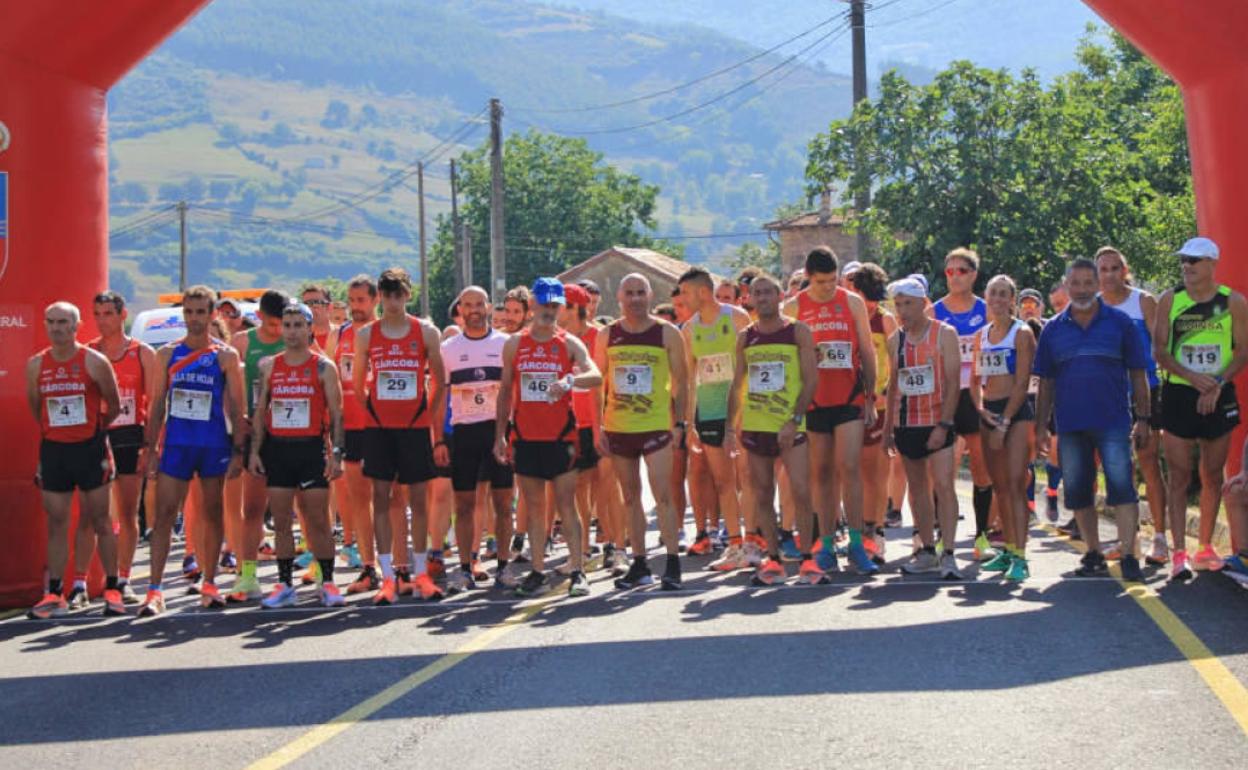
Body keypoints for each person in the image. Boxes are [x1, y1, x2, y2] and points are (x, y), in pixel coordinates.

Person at [1034, 258, 1151, 582]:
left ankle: (1129, 556)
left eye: (1088, 283)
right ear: (1066, 286)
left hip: (1113, 421)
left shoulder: (1121, 323)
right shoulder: (1053, 329)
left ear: (1098, 285)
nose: (1083, 289)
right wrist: (1041, 426)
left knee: (1122, 488)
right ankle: (1093, 553)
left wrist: (1144, 418)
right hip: (1070, 424)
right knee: (1078, 491)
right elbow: (1046, 382)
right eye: (1076, 283)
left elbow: (1138, 374)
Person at [141, 286, 248, 615]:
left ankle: (210, 583)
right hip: (177, 444)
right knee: (163, 516)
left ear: (212, 315)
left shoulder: (226, 356)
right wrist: (150, 450)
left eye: (201, 312)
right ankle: (155, 590)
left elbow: (238, 409)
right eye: (189, 312)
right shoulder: (167, 354)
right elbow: (157, 403)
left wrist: (239, 453)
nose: (195, 318)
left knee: (212, 513)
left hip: (213, 443)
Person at [495, 278, 602, 597]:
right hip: (526, 436)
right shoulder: (515, 343)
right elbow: (503, 392)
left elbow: (594, 374)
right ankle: (538, 570)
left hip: (561, 436)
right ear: (533, 307)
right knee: (535, 505)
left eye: (555, 305)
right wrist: (499, 435)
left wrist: (570, 380)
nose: (550, 311)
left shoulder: (569, 342)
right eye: (544, 304)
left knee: (566, 504)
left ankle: (578, 569)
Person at [352, 267, 448, 604]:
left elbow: (439, 380)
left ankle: (420, 573)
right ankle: (389, 577)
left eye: (398, 294)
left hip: (415, 428)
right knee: (381, 498)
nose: (393, 301)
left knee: (418, 500)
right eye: (387, 294)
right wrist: (375, 413)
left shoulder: (426, 333)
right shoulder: (366, 335)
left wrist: (426, 414)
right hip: (380, 428)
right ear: (381, 297)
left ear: (408, 295)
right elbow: (358, 384)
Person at [1153, 237, 1248, 577]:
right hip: (1181, 393)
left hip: (1218, 393)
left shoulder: (1233, 302)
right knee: (1178, 475)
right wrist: (1194, 378)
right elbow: (1160, 352)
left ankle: (1205, 547)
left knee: (1211, 473)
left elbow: (1243, 351)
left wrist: (1217, 383)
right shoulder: (1170, 300)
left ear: (1211, 263)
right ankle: (1179, 551)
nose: (1187, 266)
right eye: (1183, 260)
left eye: (1194, 260)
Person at [724, 273, 824, 585]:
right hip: (756, 425)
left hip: (790, 426)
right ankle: (774, 560)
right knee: (763, 493)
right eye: (757, 293)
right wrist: (729, 427)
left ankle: (807, 559)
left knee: (801, 491)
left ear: (780, 296)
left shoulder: (798, 331)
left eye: (769, 292)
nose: (763, 298)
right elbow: (737, 383)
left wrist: (794, 419)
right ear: (750, 299)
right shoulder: (746, 336)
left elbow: (811, 380)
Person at [784, 247, 879, 574]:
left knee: (849, 466)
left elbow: (867, 350)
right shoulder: (793, 307)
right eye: (821, 282)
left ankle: (856, 543)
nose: (827, 287)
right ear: (808, 277)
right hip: (813, 400)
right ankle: (825, 543)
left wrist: (871, 397)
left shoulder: (851, 301)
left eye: (832, 280)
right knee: (821, 473)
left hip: (849, 396)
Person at [25, 302, 123, 619]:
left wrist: (94, 432)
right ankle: (54, 593)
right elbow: (36, 406)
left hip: (90, 448)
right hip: (54, 450)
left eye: (63, 322)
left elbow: (114, 404)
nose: (56, 328)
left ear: (76, 325)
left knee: (100, 520)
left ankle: (112, 588)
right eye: (51, 321)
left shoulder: (94, 361)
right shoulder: (36, 364)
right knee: (57, 522)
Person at [594, 273, 690, 590]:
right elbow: (597, 383)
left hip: (655, 426)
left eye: (640, 292)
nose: (635, 298)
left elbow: (682, 382)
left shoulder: (667, 333)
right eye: (629, 293)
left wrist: (679, 423)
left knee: (662, 494)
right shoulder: (607, 335)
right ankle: (639, 563)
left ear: (649, 296)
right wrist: (599, 426)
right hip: (619, 427)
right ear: (619, 298)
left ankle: (673, 564)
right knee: (630, 498)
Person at [249, 302, 346, 607]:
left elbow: (337, 414)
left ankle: (328, 582)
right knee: (280, 520)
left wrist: (337, 454)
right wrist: (254, 451)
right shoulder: (270, 366)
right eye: (287, 326)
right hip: (279, 449)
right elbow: (260, 410)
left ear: (308, 328)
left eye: (297, 325)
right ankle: (285, 584)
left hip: (311, 448)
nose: (291, 332)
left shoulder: (322, 366)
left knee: (317, 519)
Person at [882, 276, 964, 579]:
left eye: (908, 303)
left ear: (923, 304)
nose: (903, 310)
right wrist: (888, 429)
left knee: (943, 485)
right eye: (898, 304)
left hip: (937, 421)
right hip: (907, 423)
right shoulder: (896, 341)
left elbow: (955, 382)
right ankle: (927, 549)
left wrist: (944, 423)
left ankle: (950, 553)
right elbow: (893, 386)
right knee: (917, 491)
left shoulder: (945, 334)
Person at [1097, 246, 1169, 566]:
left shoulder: (1142, 301)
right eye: (1103, 269)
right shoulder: (1092, 306)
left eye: (1115, 268)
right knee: (1116, 470)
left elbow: (1159, 347)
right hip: (1108, 396)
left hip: (1144, 391)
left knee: (1149, 462)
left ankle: (1161, 538)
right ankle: (1128, 539)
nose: (1109, 274)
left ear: (1124, 271)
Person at [679, 267, 754, 569]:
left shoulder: (736, 318)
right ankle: (735, 544)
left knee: (747, 477)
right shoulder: (688, 329)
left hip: (742, 409)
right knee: (724, 482)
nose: (681, 299)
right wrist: (689, 423)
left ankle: (755, 541)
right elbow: (689, 379)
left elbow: (752, 363)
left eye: (685, 292)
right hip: (709, 412)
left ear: (702, 292)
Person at [441, 286, 514, 593]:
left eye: (479, 304)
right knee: (465, 504)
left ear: (488, 307)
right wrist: (439, 439)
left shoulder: (506, 343)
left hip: (499, 431)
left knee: (502, 502)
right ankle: (464, 568)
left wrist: (511, 432)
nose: (474, 309)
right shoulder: (449, 348)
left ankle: (504, 566)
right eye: (468, 304)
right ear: (460, 308)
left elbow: (514, 391)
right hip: (464, 432)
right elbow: (440, 397)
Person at [89, 291, 156, 604]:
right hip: (98, 437)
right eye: (98, 314)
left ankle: (124, 577)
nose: (103, 320)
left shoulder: (141, 352)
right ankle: (102, 578)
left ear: (122, 314)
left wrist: (151, 446)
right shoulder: (89, 352)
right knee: (98, 515)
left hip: (131, 436)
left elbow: (156, 402)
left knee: (128, 513)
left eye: (108, 314)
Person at [971, 275, 1037, 581]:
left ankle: (1022, 556)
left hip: (1016, 414)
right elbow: (974, 380)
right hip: (990, 414)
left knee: (1015, 485)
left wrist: (1005, 421)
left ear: (1011, 299)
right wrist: (981, 409)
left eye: (1002, 294)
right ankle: (1008, 549)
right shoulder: (982, 334)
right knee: (999, 487)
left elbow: (1023, 383)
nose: (996, 299)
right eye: (992, 293)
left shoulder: (1021, 333)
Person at [227, 289, 289, 603]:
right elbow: (227, 385)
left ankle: (315, 573)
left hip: (292, 432)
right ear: (261, 316)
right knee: (251, 508)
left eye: (285, 323)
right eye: (274, 323)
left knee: (297, 509)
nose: (280, 330)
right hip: (256, 434)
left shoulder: (297, 339)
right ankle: (247, 575)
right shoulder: (242, 343)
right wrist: (238, 419)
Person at [932, 248, 995, 560]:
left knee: (982, 471)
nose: (954, 276)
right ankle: (943, 538)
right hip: (945, 398)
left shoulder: (987, 311)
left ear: (974, 275)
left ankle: (981, 537)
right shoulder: (933, 311)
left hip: (977, 397)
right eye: (949, 271)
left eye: (961, 271)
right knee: (943, 474)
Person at [328, 274, 381, 593]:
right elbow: (332, 383)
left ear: (375, 300)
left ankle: (398, 565)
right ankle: (368, 565)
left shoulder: (384, 332)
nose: (356, 307)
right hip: (350, 427)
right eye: (352, 300)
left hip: (383, 425)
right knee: (359, 498)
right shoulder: (341, 334)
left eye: (362, 300)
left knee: (390, 498)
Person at [848, 263, 897, 563]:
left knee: (876, 473)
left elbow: (895, 364)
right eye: (866, 297)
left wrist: (884, 394)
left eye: (874, 298)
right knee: (851, 472)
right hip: (849, 403)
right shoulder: (848, 317)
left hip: (878, 405)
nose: (870, 304)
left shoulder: (885, 320)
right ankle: (858, 532)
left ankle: (876, 533)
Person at [302, 284, 334, 351]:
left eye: (316, 303)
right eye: (306, 304)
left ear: (329, 307)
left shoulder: (342, 335)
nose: (310, 308)